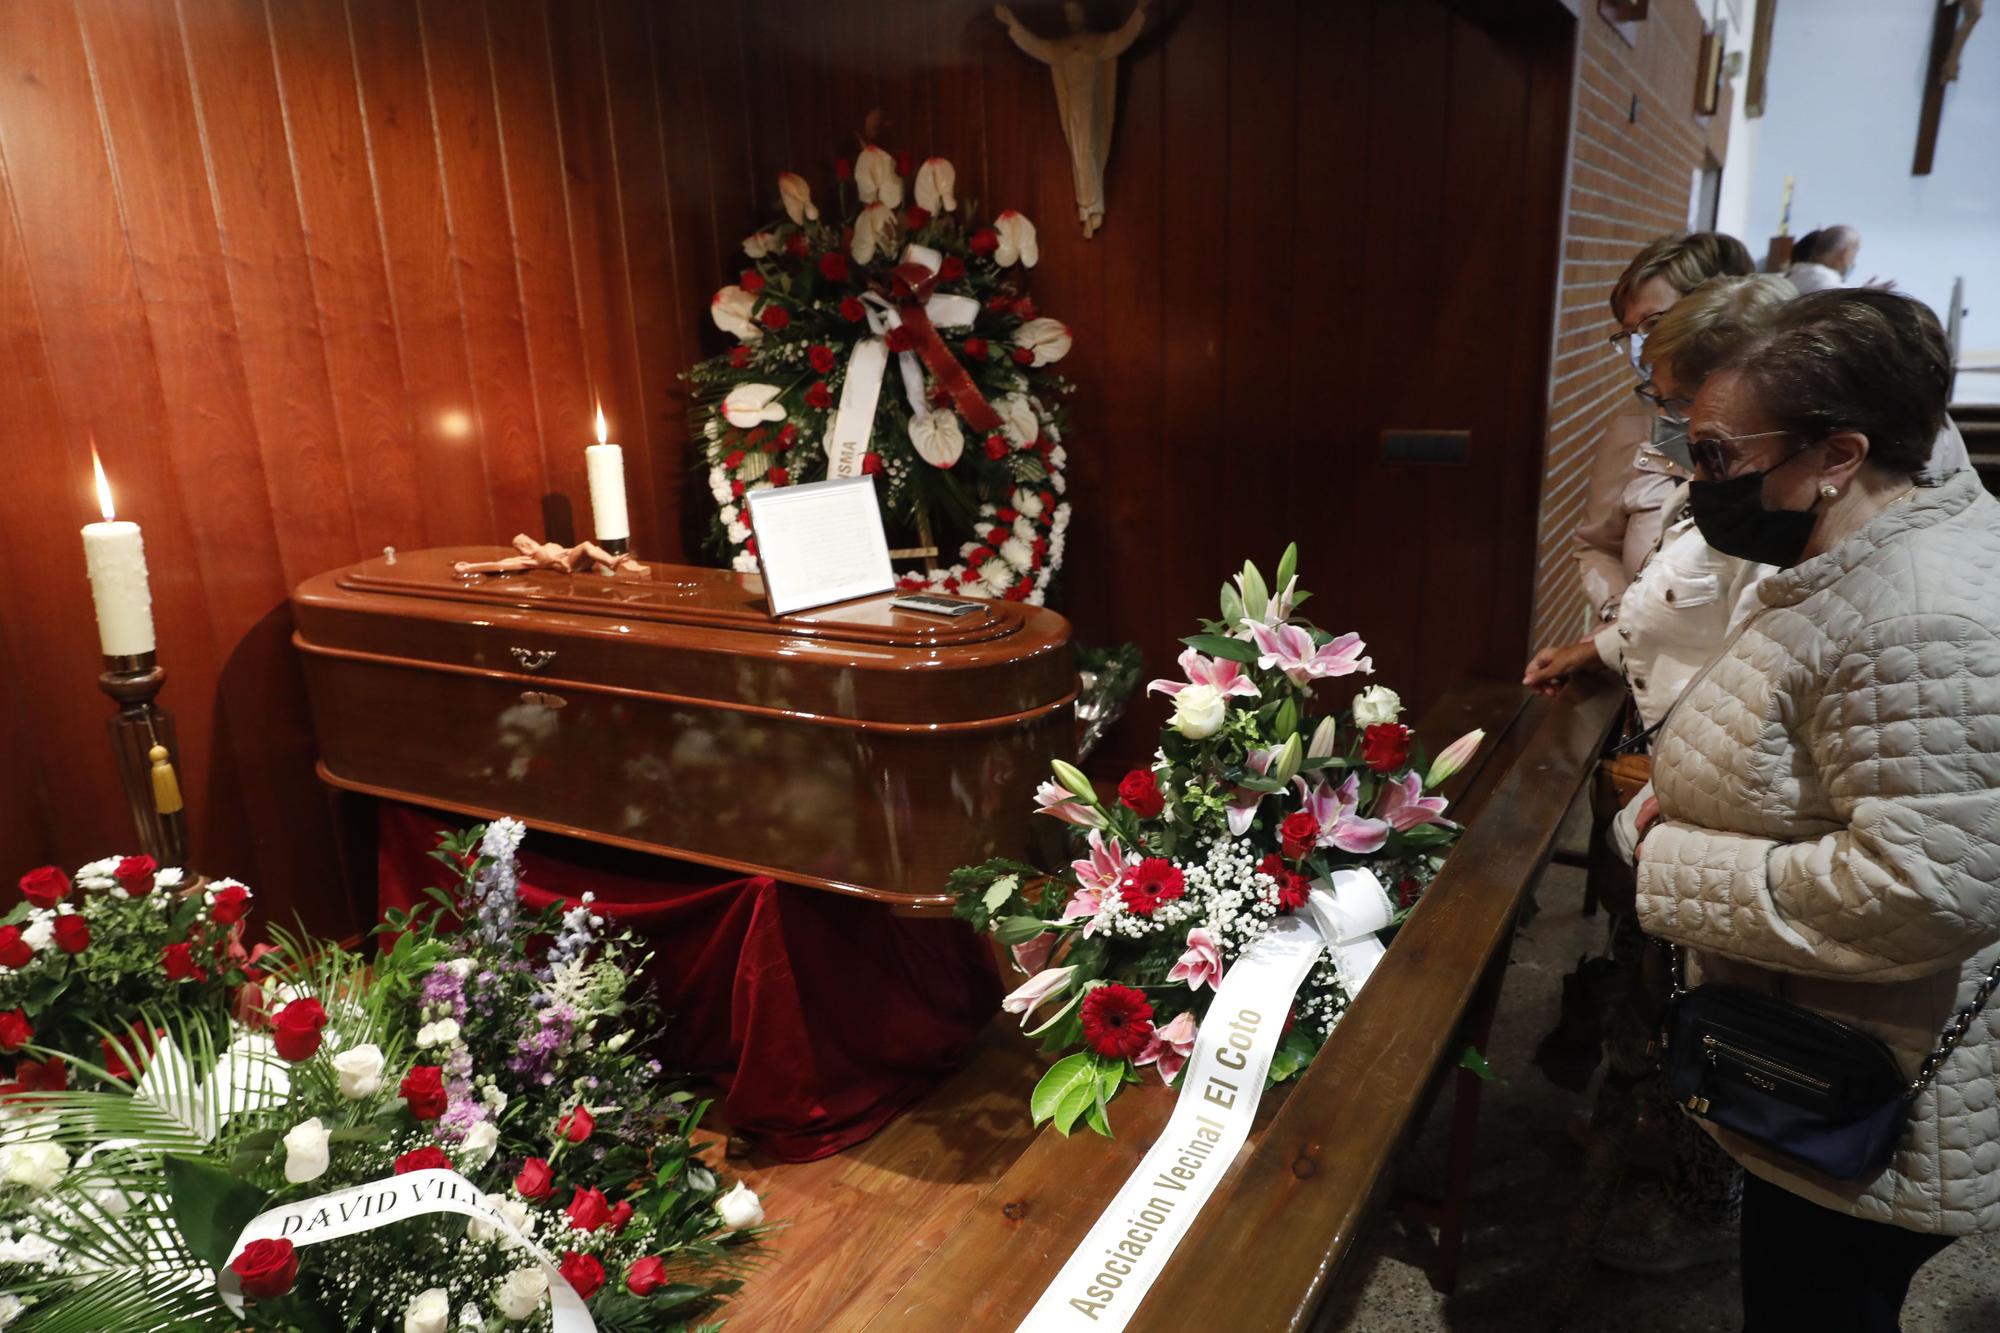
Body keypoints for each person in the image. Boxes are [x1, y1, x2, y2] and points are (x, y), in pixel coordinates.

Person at [1632, 289, 2000, 1331]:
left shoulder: (1919, 617)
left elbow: (1919, 888)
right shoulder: (1856, 546)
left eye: (1711, 455)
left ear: (1836, 452)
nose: (1695, 481)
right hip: (1837, 1049)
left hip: (1876, 1087)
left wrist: (1668, 861)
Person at [1526, 275, 1794, 1275]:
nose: (1673, 421)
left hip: (1714, 779)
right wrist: (1597, 646)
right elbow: (1659, 587)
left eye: (1686, 402)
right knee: (1648, 963)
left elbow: (1746, 637)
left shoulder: (1774, 505)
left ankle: (1690, 1187)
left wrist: (1672, 791)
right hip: (1670, 750)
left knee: (1703, 993)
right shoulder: (1724, 478)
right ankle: (1637, 1137)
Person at [1574, 233, 1755, 631]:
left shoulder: (1773, 442)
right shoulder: (1634, 429)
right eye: (1630, 333)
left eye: (1656, 323)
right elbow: (1595, 545)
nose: (1644, 345)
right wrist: (1620, 618)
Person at [1785, 225, 1861, 295]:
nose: (1853, 263)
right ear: (1846, 254)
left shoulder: (1791, 276)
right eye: (1854, 256)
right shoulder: (1836, 292)